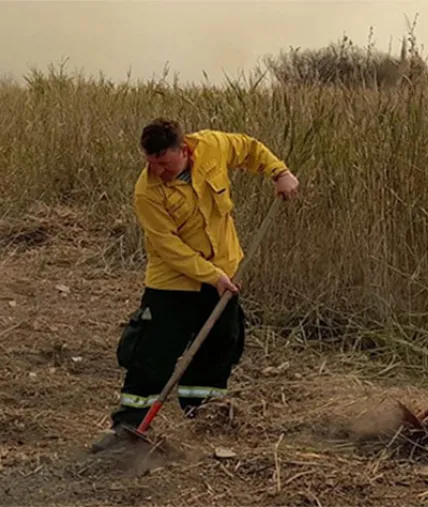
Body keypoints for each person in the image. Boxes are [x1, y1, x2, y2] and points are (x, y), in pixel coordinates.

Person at [91, 118, 300, 452]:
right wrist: (211, 276)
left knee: (219, 347)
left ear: (184, 150)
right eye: (151, 162)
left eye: (165, 163)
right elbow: (168, 247)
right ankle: (128, 427)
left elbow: (249, 149)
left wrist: (279, 172)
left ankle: (204, 420)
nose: (158, 170)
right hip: (173, 282)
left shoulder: (212, 146)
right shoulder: (146, 192)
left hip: (225, 274)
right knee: (152, 353)